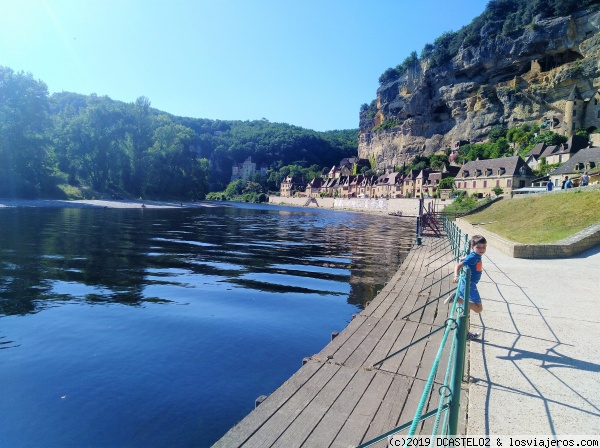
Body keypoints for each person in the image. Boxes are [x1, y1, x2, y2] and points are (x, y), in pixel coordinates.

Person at [445, 235, 486, 340]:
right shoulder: (473, 257)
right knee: (478, 308)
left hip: (468, 283)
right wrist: (456, 276)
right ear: (473, 247)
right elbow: (458, 266)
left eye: (483, 247)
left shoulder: (474, 255)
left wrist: (464, 258)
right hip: (469, 284)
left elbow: (467, 259)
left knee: (466, 312)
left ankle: (466, 334)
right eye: (479, 247)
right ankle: (457, 299)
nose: (481, 250)